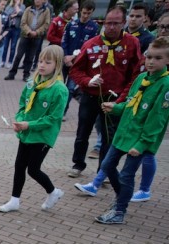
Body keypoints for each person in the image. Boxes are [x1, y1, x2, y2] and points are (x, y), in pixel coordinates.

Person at [90, 37, 169, 224]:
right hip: (124, 132)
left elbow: (157, 119)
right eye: (149, 56)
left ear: (167, 60)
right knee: (107, 165)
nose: (151, 61)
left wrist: (142, 144)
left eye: (157, 58)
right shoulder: (142, 78)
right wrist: (115, 107)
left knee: (127, 174)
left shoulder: (165, 85)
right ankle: (122, 196)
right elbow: (131, 102)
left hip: (138, 139)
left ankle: (119, 211)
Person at [67, 6, 142, 178]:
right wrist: (88, 81)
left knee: (109, 136)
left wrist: (121, 99)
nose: (111, 27)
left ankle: (104, 169)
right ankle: (78, 164)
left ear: (123, 23)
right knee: (82, 133)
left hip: (114, 99)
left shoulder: (131, 43)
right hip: (91, 97)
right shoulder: (92, 44)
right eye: (108, 23)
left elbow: (136, 74)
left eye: (116, 23)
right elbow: (76, 70)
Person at [0, 45, 67, 213]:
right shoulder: (31, 83)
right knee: (19, 166)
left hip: (43, 135)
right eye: (40, 61)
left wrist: (29, 125)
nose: (42, 65)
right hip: (26, 133)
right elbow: (23, 106)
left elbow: (53, 118)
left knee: (33, 169)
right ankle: (14, 200)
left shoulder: (59, 89)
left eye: (47, 62)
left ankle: (53, 192)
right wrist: (19, 121)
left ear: (57, 65)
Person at [4, 0, 49, 81]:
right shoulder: (28, 9)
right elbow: (23, 22)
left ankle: (26, 74)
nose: (37, 0)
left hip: (37, 37)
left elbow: (46, 24)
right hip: (25, 36)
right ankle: (12, 73)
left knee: (30, 57)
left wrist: (36, 32)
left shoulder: (46, 11)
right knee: (18, 56)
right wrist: (29, 31)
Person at [2, 0, 23, 66]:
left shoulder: (22, 6)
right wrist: (15, 14)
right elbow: (7, 15)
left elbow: (21, 14)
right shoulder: (9, 6)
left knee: (13, 47)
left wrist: (16, 6)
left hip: (16, 28)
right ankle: (3, 61)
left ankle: (10, 62)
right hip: (9, 28)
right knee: (5, 46)